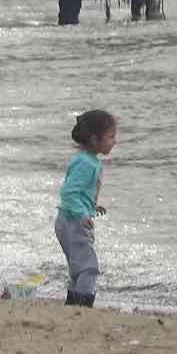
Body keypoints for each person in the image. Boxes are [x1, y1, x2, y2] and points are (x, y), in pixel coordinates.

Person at [57, 109, 116, 307]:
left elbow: (78, 193)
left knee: (78, 267)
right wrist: (83, 214)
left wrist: (91, 206)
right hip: (73, 221)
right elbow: (69, 193)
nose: (114, 141)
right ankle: (82, 305)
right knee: (89, 268)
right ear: (94, 139)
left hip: (68, 219)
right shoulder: (86, 163)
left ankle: (73, 303)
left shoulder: (85, 159)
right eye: (110, 136)